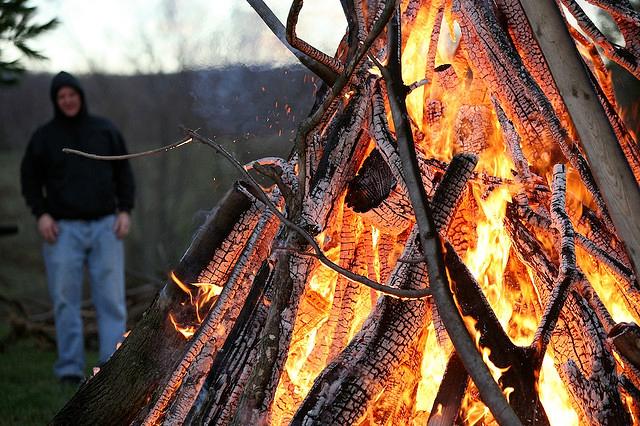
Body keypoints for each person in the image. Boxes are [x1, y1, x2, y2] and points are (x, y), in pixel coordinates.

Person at [20, 71, 135, 384]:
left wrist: (124, 211)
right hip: (62, 230)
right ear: (56, 101)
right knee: (64, 299)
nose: (68, 100)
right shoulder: (44, 138)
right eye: (61, 96)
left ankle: (111, 365)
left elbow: (124, 173)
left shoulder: (105, 130)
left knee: (110, 299)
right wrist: (41, 214)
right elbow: (29, 180)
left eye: (72, 94)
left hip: (105, 227)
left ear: (80, 95)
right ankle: (69, 368)